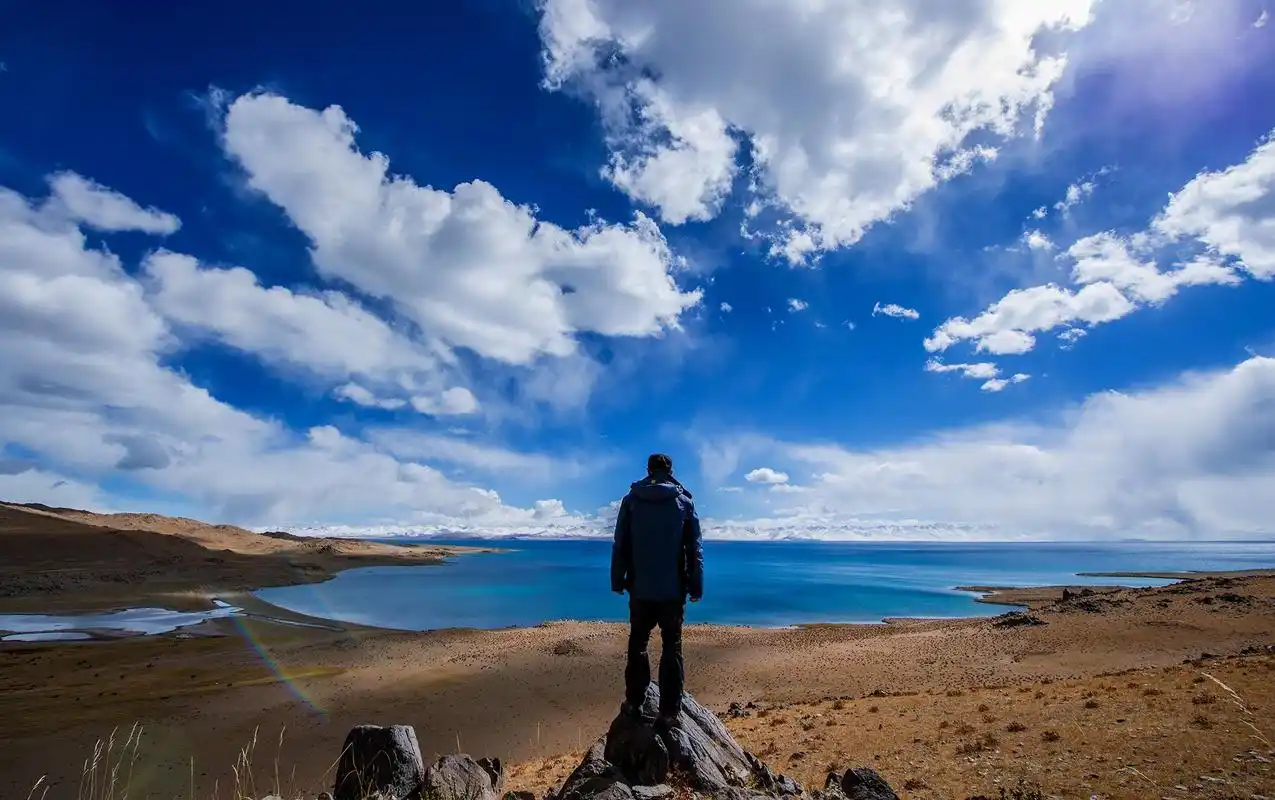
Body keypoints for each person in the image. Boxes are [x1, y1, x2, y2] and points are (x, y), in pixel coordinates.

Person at [611, 452, 704, 727]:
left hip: (640, 590)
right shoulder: (684, 502)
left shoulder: (631, 501)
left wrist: (618, 581)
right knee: (671, 647)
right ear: (670, 470)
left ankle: (634, 703)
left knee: (637, 644)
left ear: (648, 469)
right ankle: (669, 713)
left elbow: (620, 544)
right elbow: (694, 549)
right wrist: (695, 586)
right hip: (672, 592)